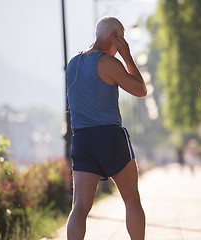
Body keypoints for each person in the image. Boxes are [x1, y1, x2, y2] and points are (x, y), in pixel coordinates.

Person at [65, 16, 147, 240]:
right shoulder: (109, 63)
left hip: (81, 139)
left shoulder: (72, 64)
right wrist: (128, 57)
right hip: (109, 136)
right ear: (115, 38)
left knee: (80, 207)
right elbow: (140, 90)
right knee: (131, 199)